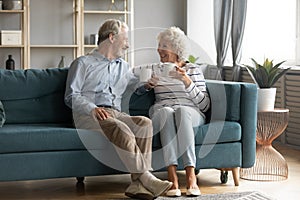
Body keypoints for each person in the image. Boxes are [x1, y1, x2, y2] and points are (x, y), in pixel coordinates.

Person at [64, 19, 172, 200]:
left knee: (144, 123)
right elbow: (71, 96)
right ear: (112, 37)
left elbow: (134, 86)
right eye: (125, 38)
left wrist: (147, 85)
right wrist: (92, 108)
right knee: (121, 128)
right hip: (88, 115)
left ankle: (137, 185)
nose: (128, 44)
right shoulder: (83, 63)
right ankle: (146, 176)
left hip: (115, 112)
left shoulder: (124, 67)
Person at [143, 27, 210, 197]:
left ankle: (190, 177)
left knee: (181, 111)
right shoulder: (155, 69)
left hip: (190, 113)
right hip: (162, 111)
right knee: (166, 111)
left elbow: (204, 106)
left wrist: (187, 82)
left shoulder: (193, 70)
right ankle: (172, 178)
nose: (159, 49)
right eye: (159, 45)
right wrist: (145, 86)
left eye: (164, 45)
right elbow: (130, 83)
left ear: (176, 49)